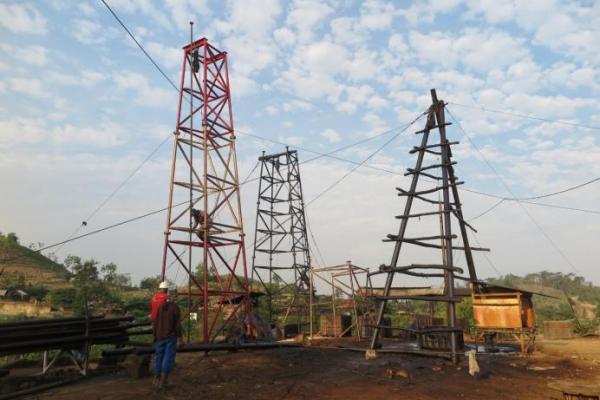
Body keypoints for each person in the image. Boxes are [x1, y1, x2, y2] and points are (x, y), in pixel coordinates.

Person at [152, 287, 184, 389]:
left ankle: (156, 378)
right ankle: (163, 382)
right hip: (170, 336)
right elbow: (178, 325)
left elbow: (155, 323)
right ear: (175, 297)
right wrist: (180, 338)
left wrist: (155, 336)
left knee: (159, 357)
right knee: (168, 357)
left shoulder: (160, 307)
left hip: (159, 336)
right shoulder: (175, 308)